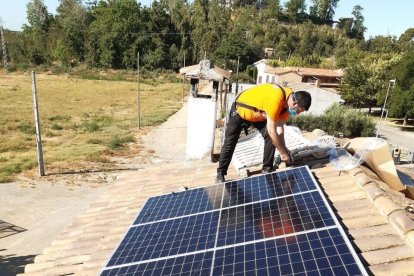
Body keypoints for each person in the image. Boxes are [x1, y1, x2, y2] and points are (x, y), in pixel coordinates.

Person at [216, 83, 311, 183]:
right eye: (299, 111)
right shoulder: (276, 99)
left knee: (271, 138)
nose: (298, 113)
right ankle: (220, 173)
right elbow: (272, 131)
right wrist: (283, 153)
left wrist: (284, 150)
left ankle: (267, 169)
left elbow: (279, 129)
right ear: (295, 104)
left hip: (259, 114)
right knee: (230, 142)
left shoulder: (286, 106)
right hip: (241, 110)